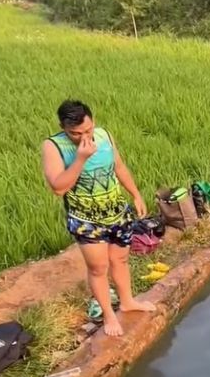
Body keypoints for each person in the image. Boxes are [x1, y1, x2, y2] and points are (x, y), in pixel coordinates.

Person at [41, 100, 155, 337]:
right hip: (86, 219)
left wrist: (135, 194)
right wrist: (81, 158)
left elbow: (119, 167)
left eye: (87, 130)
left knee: (120, 260)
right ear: (63, 127)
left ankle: (127, 301)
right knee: (98, 268)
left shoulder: (103, 135)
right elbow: (58, 188)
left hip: (116, 211)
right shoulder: (54, 146)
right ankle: (108, 314)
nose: (84, 136)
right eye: (75, 133)